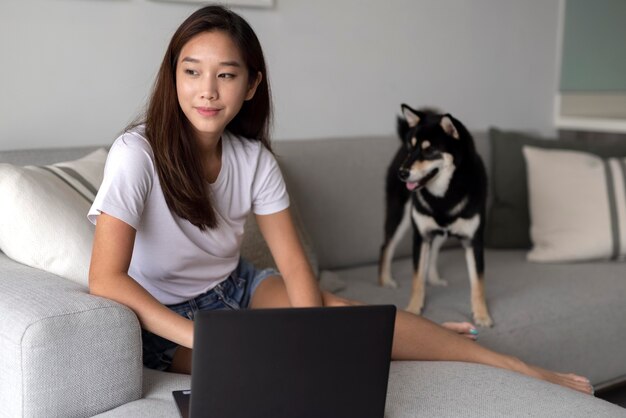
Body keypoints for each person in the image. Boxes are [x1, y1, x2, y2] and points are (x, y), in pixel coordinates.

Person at [88, 4, 592, 395]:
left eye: (227, 74)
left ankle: (515, 366)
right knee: (271, 361)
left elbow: (295, 265)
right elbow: (105, 278)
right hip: (165, 317)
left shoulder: (254, 160)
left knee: (341, 319)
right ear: (173, 75)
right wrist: (206, 337)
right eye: (192, 71)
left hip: (235, 288)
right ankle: (418, 343)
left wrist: (316, 334)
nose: (208, 90)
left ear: (251, 84)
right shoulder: (137, 153)